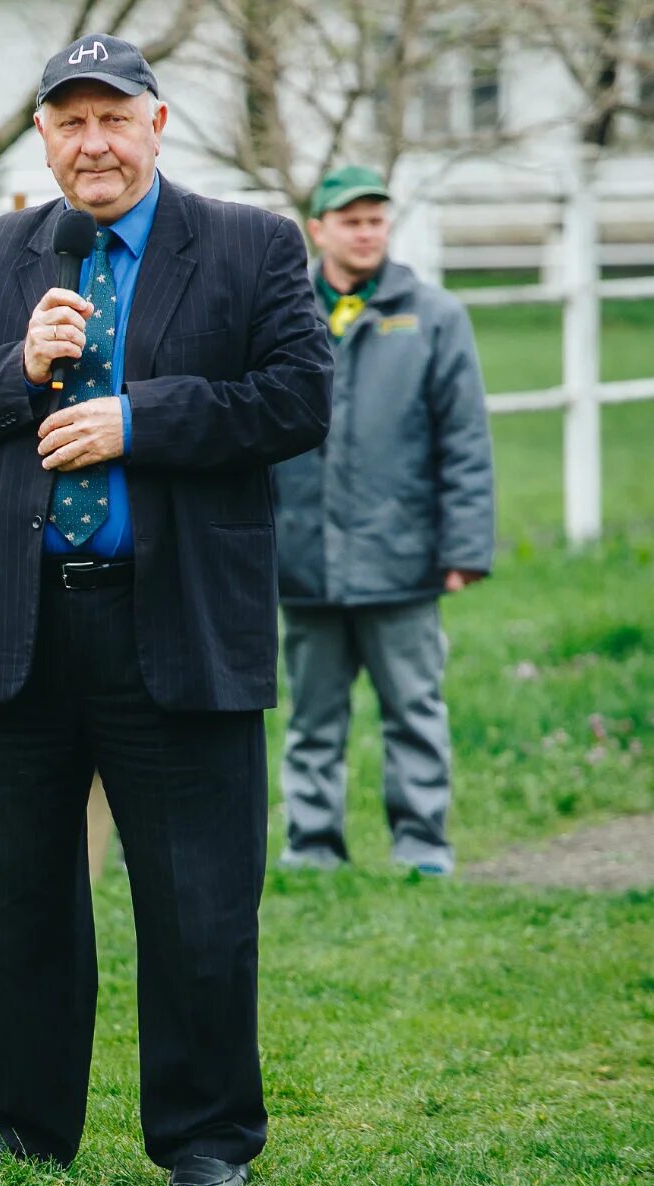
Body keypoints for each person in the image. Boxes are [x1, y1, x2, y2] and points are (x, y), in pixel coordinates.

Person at [0, 35, 332, 1186]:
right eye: (69, 121)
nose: (93, 143)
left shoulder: (246, 246)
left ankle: (204, 1138)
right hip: (26, 625)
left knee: (196, 898)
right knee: (24, 893)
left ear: (157, 121)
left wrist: (139, 419)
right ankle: (23, 1126)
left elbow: (297, 397)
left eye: (113, 118)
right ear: (42, 134)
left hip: (178, 615)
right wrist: (15, 369)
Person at [274, 167, 494, 878]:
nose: (365, 232)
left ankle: (422, 844)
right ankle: (312, 846)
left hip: (403, 561)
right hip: (303, 562)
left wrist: (463, 547)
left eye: (376, 219)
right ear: (319, 229)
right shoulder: (282, 314)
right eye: (350, 220)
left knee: (415, 712)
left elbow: (464, 441)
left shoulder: (433, 316)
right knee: (311, 721)